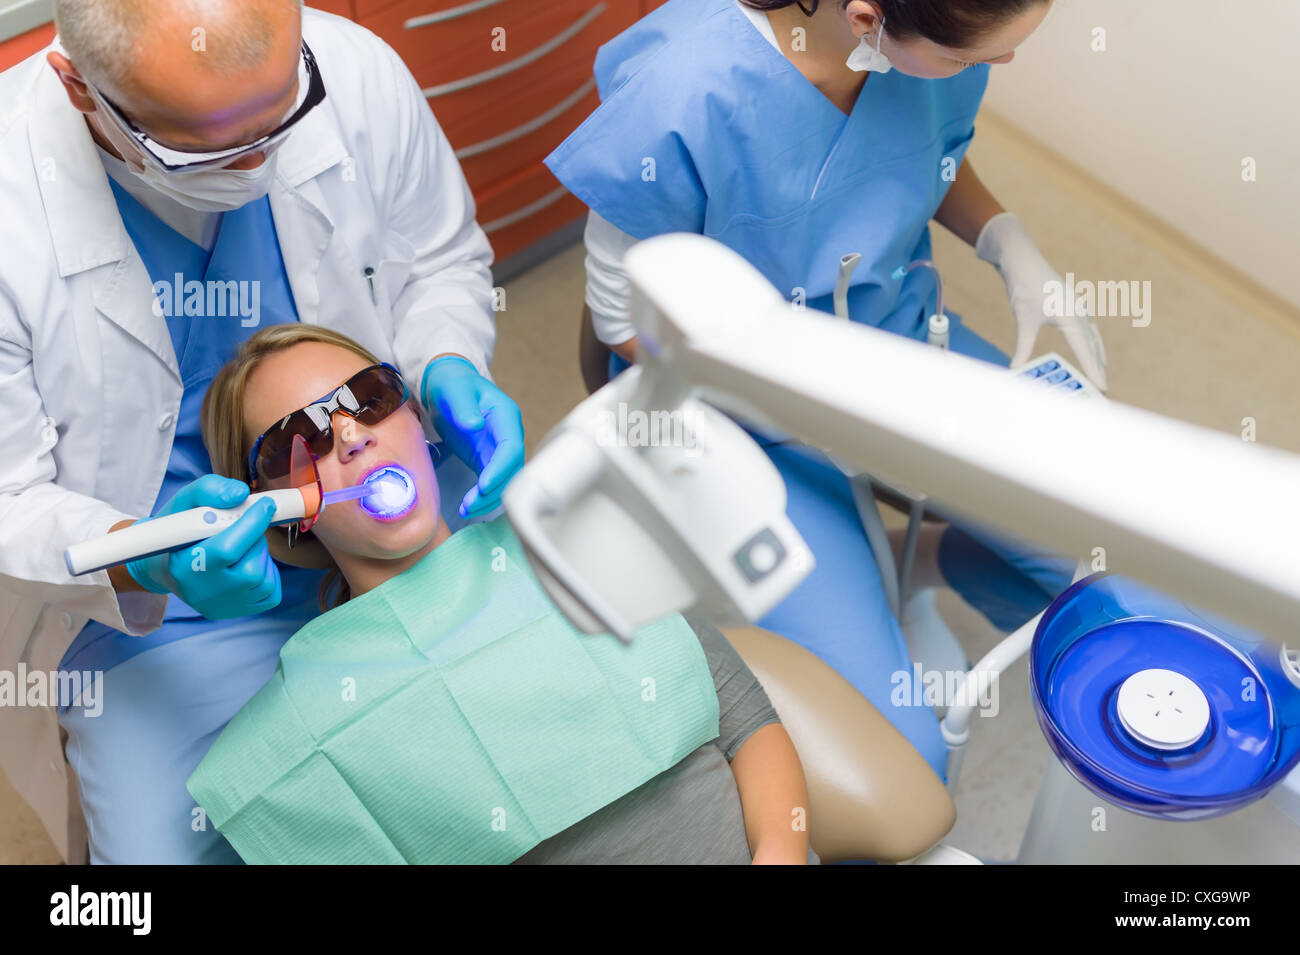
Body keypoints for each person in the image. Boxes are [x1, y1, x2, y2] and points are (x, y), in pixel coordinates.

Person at [0, 0, 524, 863]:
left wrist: (444, 363)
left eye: (281, 118)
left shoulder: (351, 65)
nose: (259, 162)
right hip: (168, 608)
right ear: (79, 90)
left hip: (394, 532)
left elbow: (438, 261)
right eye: (207, 146)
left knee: (512, 745)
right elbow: (12, 499)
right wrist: (146, 555)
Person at [545, 0, 1089, 778]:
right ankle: (860, 576)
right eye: (974, 58)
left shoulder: (921, 47)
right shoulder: (686, 89)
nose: (999, 68)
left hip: (896, 340)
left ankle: (923, 559)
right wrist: (786, 409)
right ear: (867, 17)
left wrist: (1008, 241)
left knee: (1101, 560)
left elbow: (926, 151)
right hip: (734, 405)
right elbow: (618, 316)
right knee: (905, 761)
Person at [190, 322, 814, 865]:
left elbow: (748, 724)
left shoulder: (581, 542)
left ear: (417, 419)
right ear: (279, 511)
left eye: (371, 398)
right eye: (298, 441)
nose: (352, 436)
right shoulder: (306, 728)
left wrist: (781, 855)